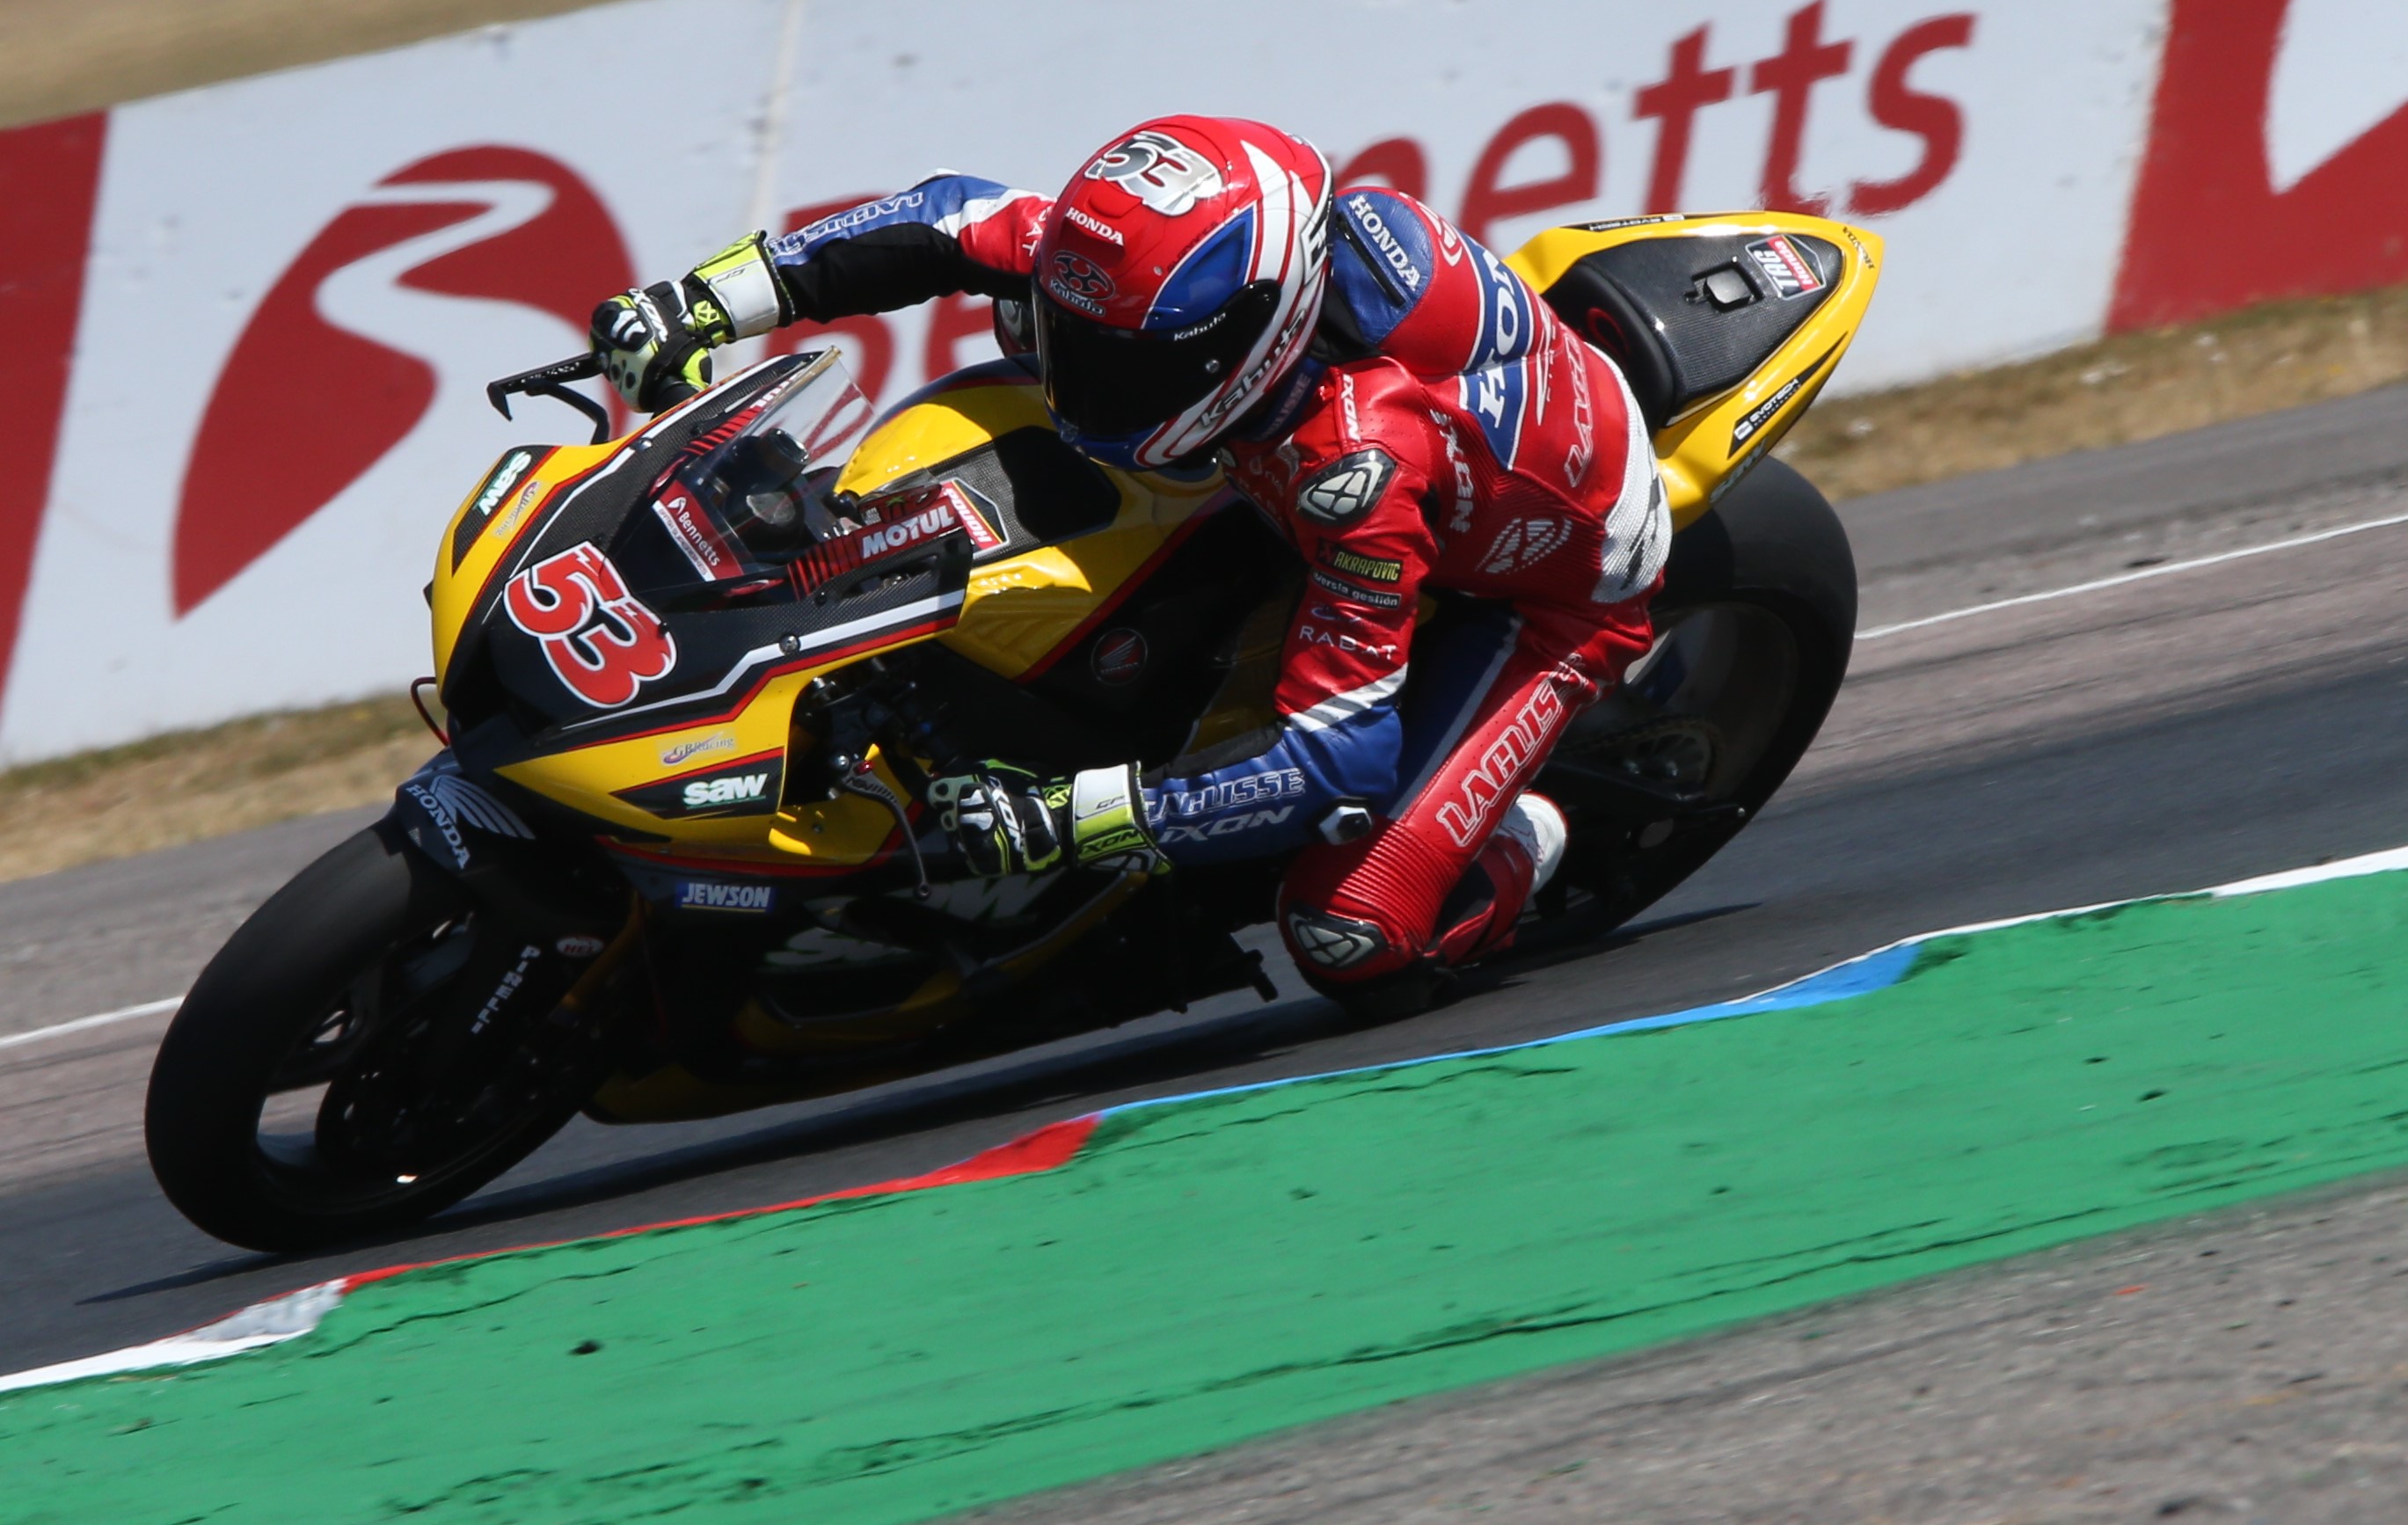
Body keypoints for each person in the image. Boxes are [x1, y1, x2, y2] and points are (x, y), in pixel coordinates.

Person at [588, 117, 1672, 1013]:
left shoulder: (1357, 473)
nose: (1083, 377)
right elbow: (945, 215)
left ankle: (1523, 834)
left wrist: (1072, 817)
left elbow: (1337, 760)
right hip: (1316, 456)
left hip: (1544, 595)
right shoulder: (1169, 283)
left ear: (1248, 342)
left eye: (1122, 364)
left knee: (1349, 934)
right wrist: (703, 300)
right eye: (1083, 341)